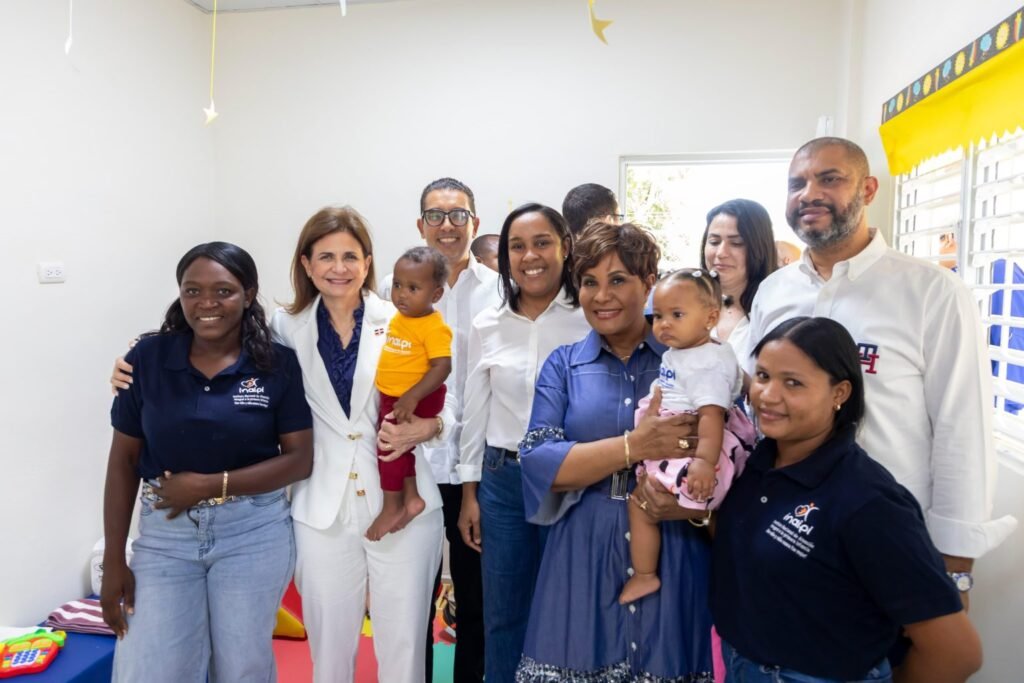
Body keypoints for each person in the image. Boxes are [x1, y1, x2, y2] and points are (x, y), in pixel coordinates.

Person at [747, 137, 1017, 603]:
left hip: (890, 534)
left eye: (829, 179)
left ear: (868, 189)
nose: (809, 193)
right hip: (785, 527)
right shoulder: (773, 292)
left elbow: (962, 427)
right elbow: (762, 407)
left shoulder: (932, 291)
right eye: (797, 183)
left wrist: (955, 566)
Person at [712, 316, 983, 682]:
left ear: (839, 393)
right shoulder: (756, 461)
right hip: (741, 665)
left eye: (792, 383)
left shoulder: (868, 501)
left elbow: (956, 653)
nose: (768, 395)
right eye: (762, 376)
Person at [101, 242, 314, 682]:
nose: (207, 303)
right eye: (192, 290)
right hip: (165, 536)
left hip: (253, 534)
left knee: (241, 668)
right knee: (151, 667)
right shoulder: (148, 359)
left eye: (223, 291)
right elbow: (123, 461)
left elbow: (299, 460)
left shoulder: (275, 364)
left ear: (249, 293)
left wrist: (208, 485)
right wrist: (115, 561)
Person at [516, 221, 712, 682]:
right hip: (582, 547)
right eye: (589, 282)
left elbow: (731, 450)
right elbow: (540, 460)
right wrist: (634, 446)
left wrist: (696, 513)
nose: (601, 295)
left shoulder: (691, 360)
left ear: (649, 283)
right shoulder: (564, 365)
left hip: (672, 541)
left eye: (618, 280)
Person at [456, 203, 591, 682]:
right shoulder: (487, 323)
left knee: (571, 612)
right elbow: (475, 410)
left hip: (575, 479)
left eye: (542, 243)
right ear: (506, 256)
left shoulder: (589, 317)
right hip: (503, 482)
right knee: (504, 612)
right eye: (518, 246)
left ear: (565, 247)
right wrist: (470, 492)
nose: (530, 256)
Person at [380, 177, 497, 682]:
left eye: (457, 215)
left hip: (476, 466)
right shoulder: (390, 295)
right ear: (419, 224)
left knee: (476, 599)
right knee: (410, 602)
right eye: (435, 215)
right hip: (413, 467)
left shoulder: (499, 291)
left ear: (475, 222)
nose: (446, 225)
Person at [619, 269, 754, 605]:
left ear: (710, 317)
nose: (664, 324)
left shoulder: (702, 364)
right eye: (659, 315)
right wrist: (753, 390)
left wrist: (704, 464)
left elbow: (711, 417)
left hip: (691, 448)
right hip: (686, 435)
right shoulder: (712, 350)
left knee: (639, 504)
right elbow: (740, 377)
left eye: (677, 315)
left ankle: (645, 575)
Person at [368, 246, 452, 541]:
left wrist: (413, 397)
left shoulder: (433, 326)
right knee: (400, 449)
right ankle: (413, 497)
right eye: (398, 285)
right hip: (396, 395)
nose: (401, 294)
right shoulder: (400, 317)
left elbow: (443, 367)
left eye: (413, 288)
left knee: (388, 449)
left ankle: (392, 506)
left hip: (416, 396)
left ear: (436, 295)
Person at [700, 198, 777, 364]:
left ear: (759, 248)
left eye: (736, 243)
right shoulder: (687, 306)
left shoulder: (776, 311)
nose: (721, 252)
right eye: (714, 242)